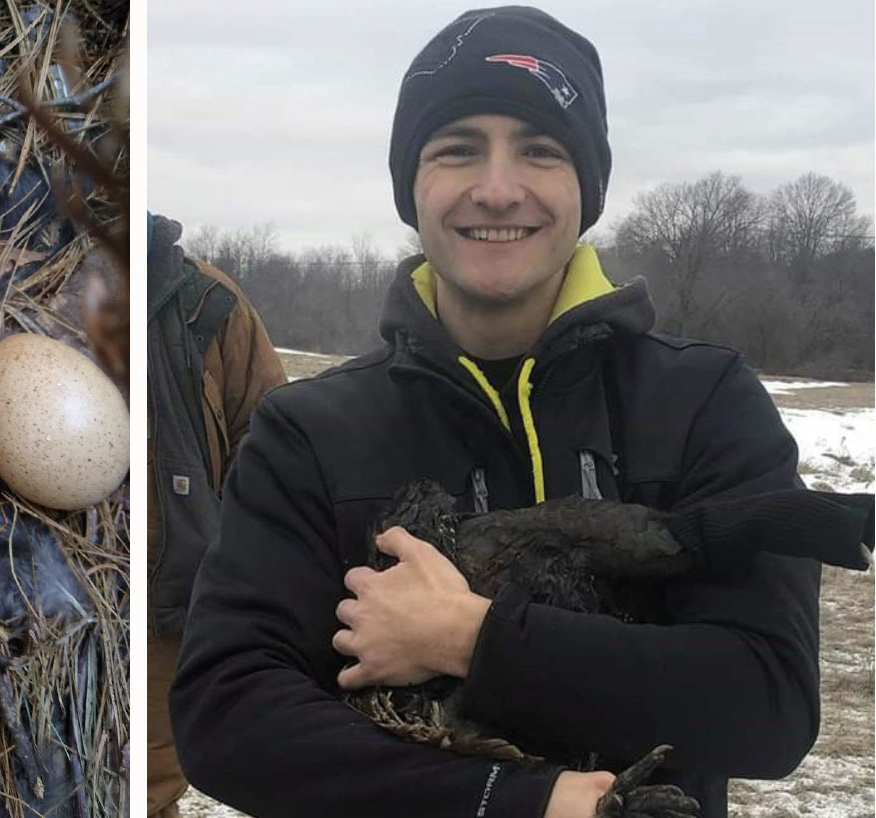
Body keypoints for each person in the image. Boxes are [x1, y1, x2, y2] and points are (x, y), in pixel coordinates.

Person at [169, 7, 821, 818]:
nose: (497, 188)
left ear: (586, 188)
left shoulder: (703, 401)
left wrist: (471, 641)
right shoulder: (309, 431)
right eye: (457, 150)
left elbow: (768, 707)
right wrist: (511, 802)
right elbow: (226, 719)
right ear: (411, 186)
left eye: (540, 150)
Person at [145, 213, 285, 818]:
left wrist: (237, 578)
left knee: (147, 787)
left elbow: (273, 452)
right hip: (58, 585)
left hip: (171, 607)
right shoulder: (50, 268)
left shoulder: (205, 305)